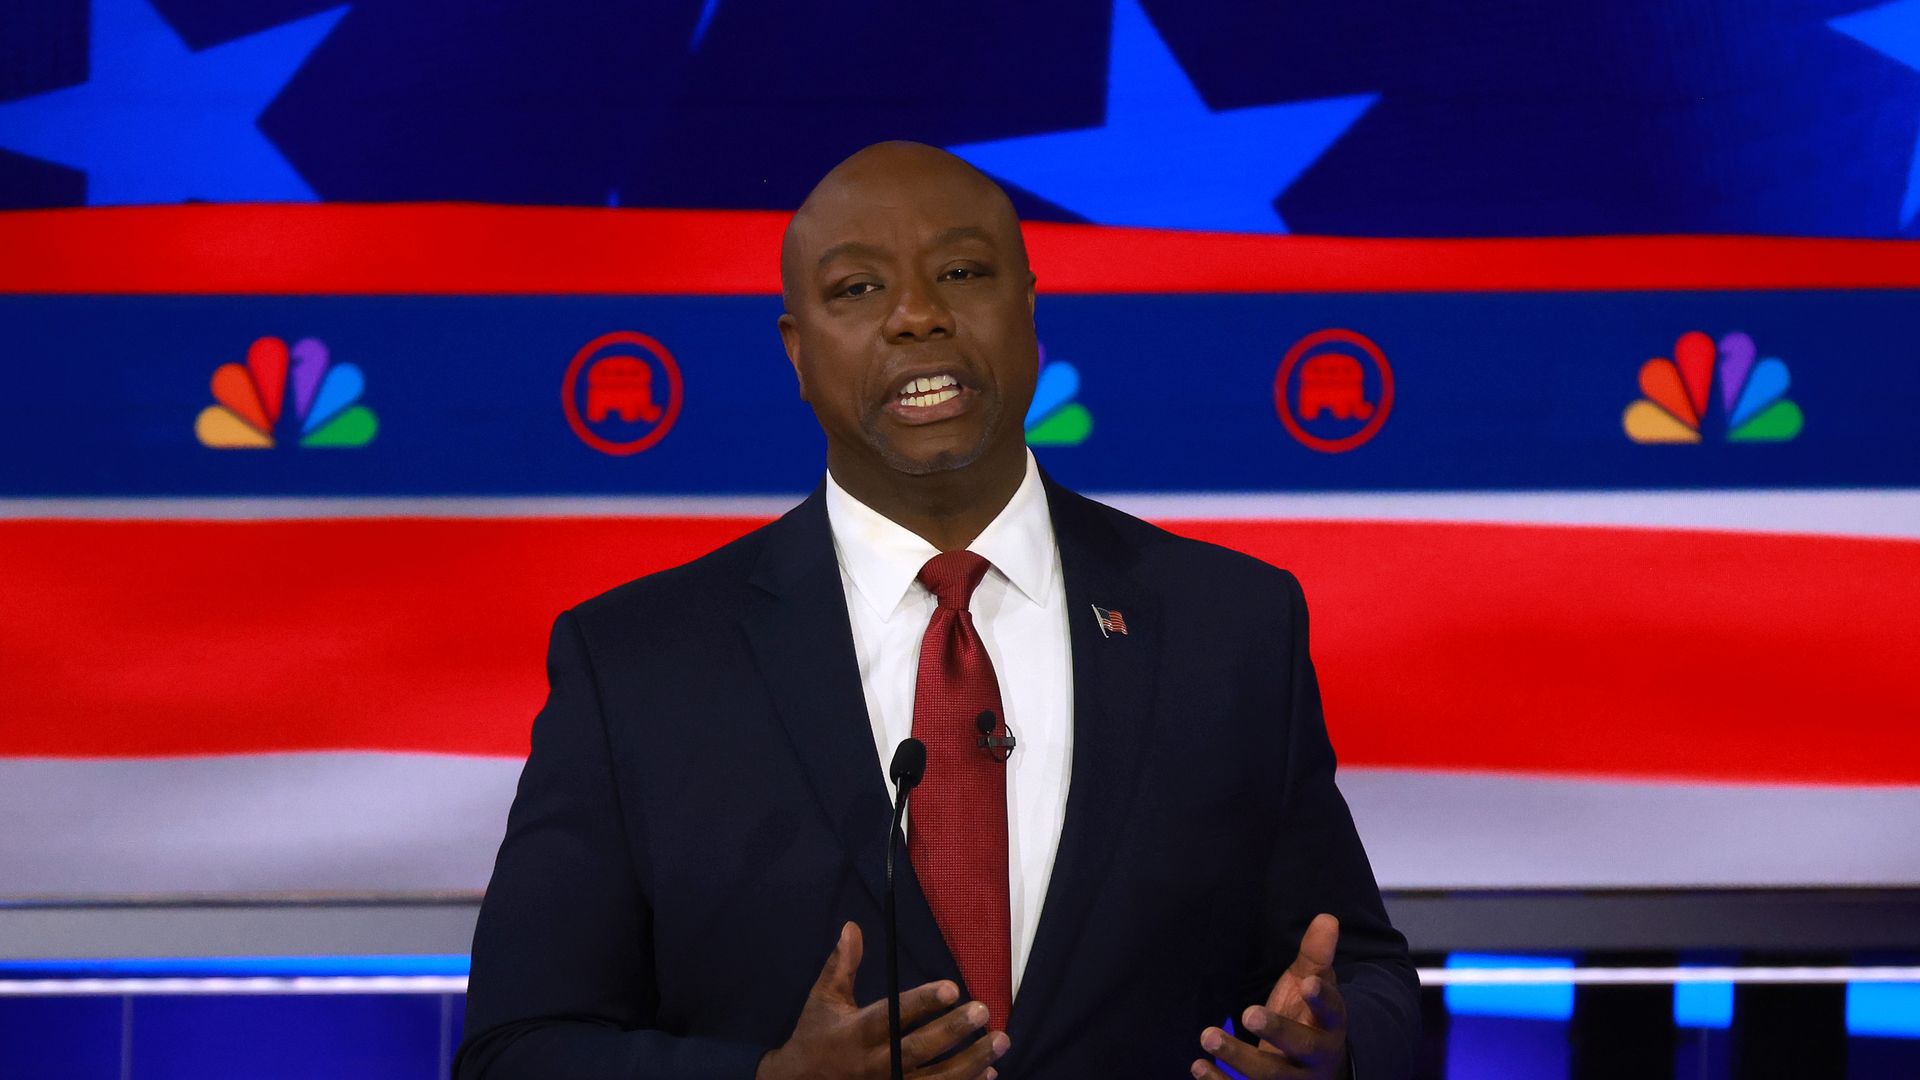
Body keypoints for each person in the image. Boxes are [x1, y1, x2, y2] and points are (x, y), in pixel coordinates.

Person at [456, 141, 1420, 1080]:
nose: (918, 315)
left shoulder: (1228, 624)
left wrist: (1331, 1054)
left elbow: (1362, 979)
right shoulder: (637, 664)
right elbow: (517, 1048)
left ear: (1031, 311)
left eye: (962, 271)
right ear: (796, 351)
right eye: (858, 289)